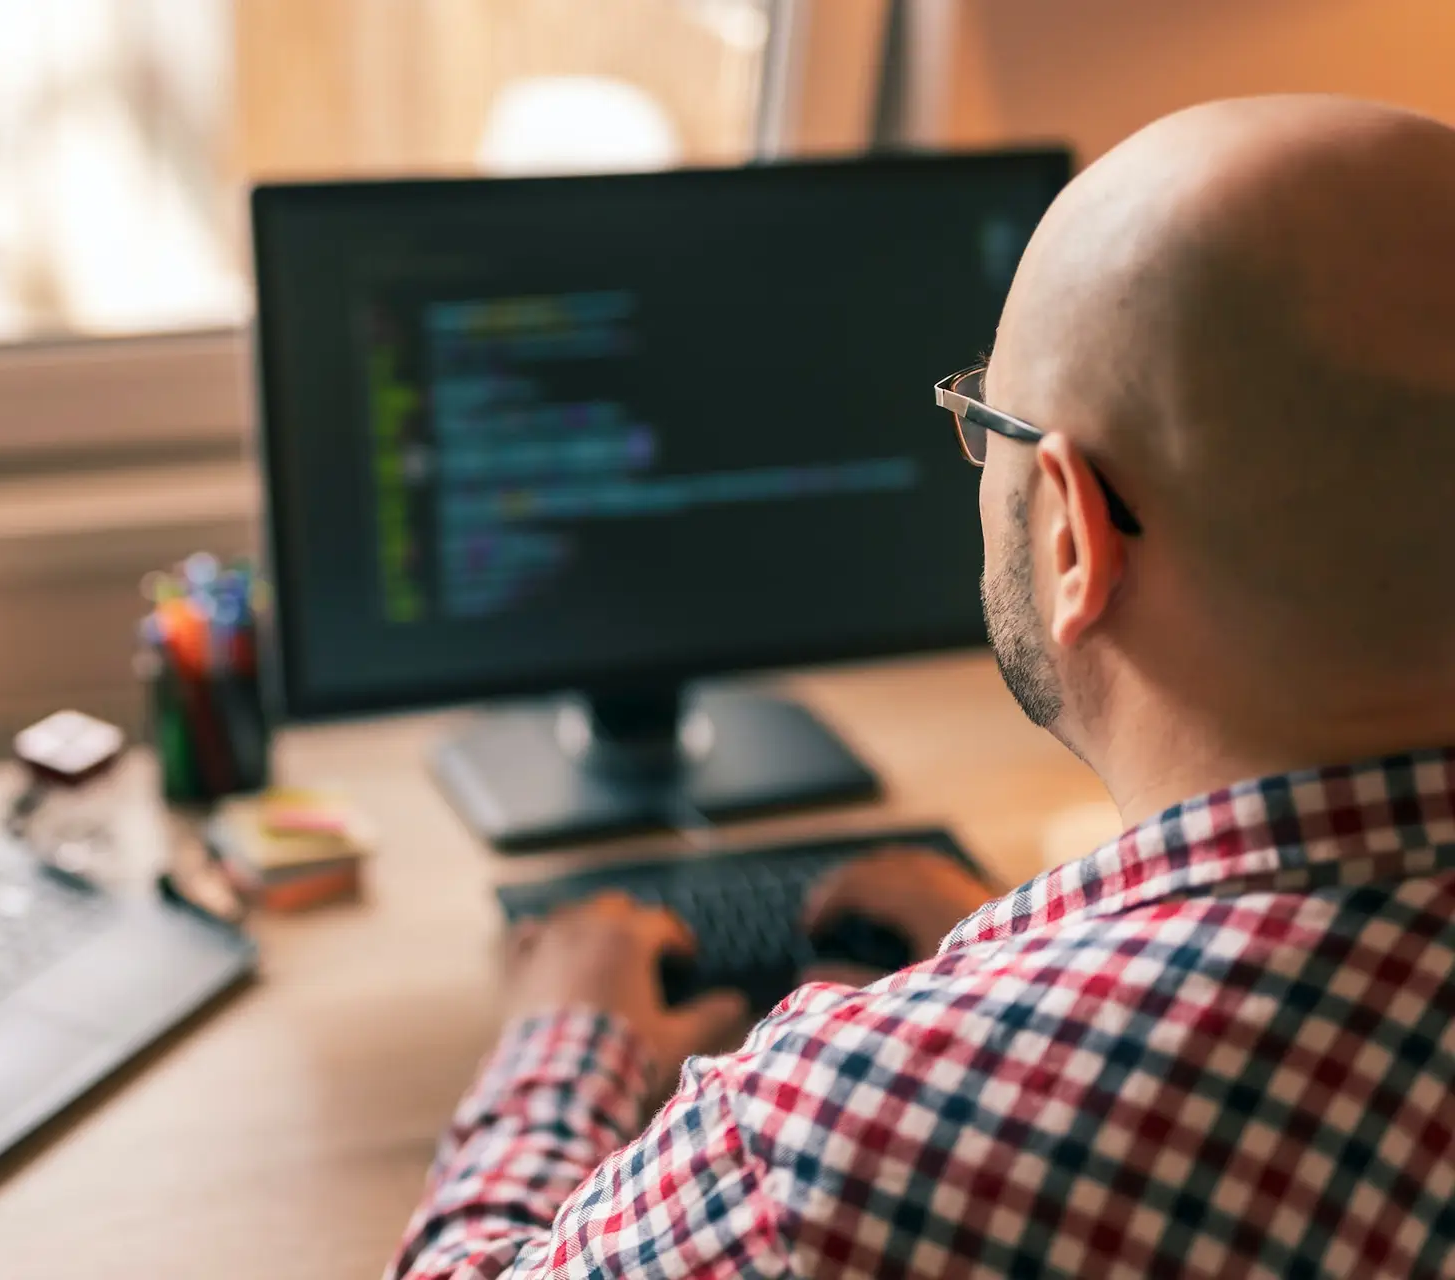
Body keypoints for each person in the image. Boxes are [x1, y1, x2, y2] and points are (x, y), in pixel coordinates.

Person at [388, 94, 1455, 1278]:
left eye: (983, 414)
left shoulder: (820, 1147)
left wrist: (561, 1043)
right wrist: (1024, 952)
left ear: (1071, 534)